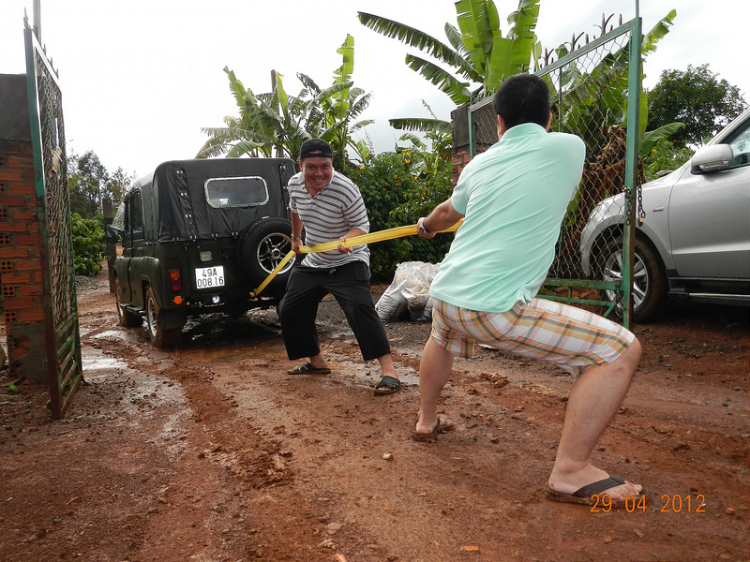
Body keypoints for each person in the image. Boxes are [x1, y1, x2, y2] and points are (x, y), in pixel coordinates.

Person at [412, 74, 643, 506]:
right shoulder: (569, 147)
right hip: (492, 307)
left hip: (446, 295)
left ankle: (426, 421)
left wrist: (425, 226)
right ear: (550, 117)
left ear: (497, 123)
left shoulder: (478, 165)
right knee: (620, 350)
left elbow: (446, 213)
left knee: (440, 336)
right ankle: (570, 471)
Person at [277, 138, 402, 395]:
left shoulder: (346, 189)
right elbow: (295, 210)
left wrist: (349, 239)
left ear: (332, 164)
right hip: (314, 259)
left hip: (348, 259)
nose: (319, 173)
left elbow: (362, 226)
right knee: (289, 308)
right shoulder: (294, 184)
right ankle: (317, 362)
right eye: (311, 167)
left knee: (360, 306)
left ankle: (389, 372)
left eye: (325, 166)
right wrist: (297, 238)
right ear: (301, 165)